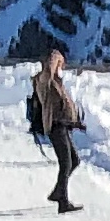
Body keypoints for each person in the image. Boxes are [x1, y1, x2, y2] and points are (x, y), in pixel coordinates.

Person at [32, 43, 79, 211]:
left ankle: (58, 191)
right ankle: (62, 200)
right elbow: (47, 73)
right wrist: (55, 57)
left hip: (63, 124)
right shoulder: (44, 80)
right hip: (55, 125)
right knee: (66, 163)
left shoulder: (56, 82)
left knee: (74, 160)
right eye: (60, 64)